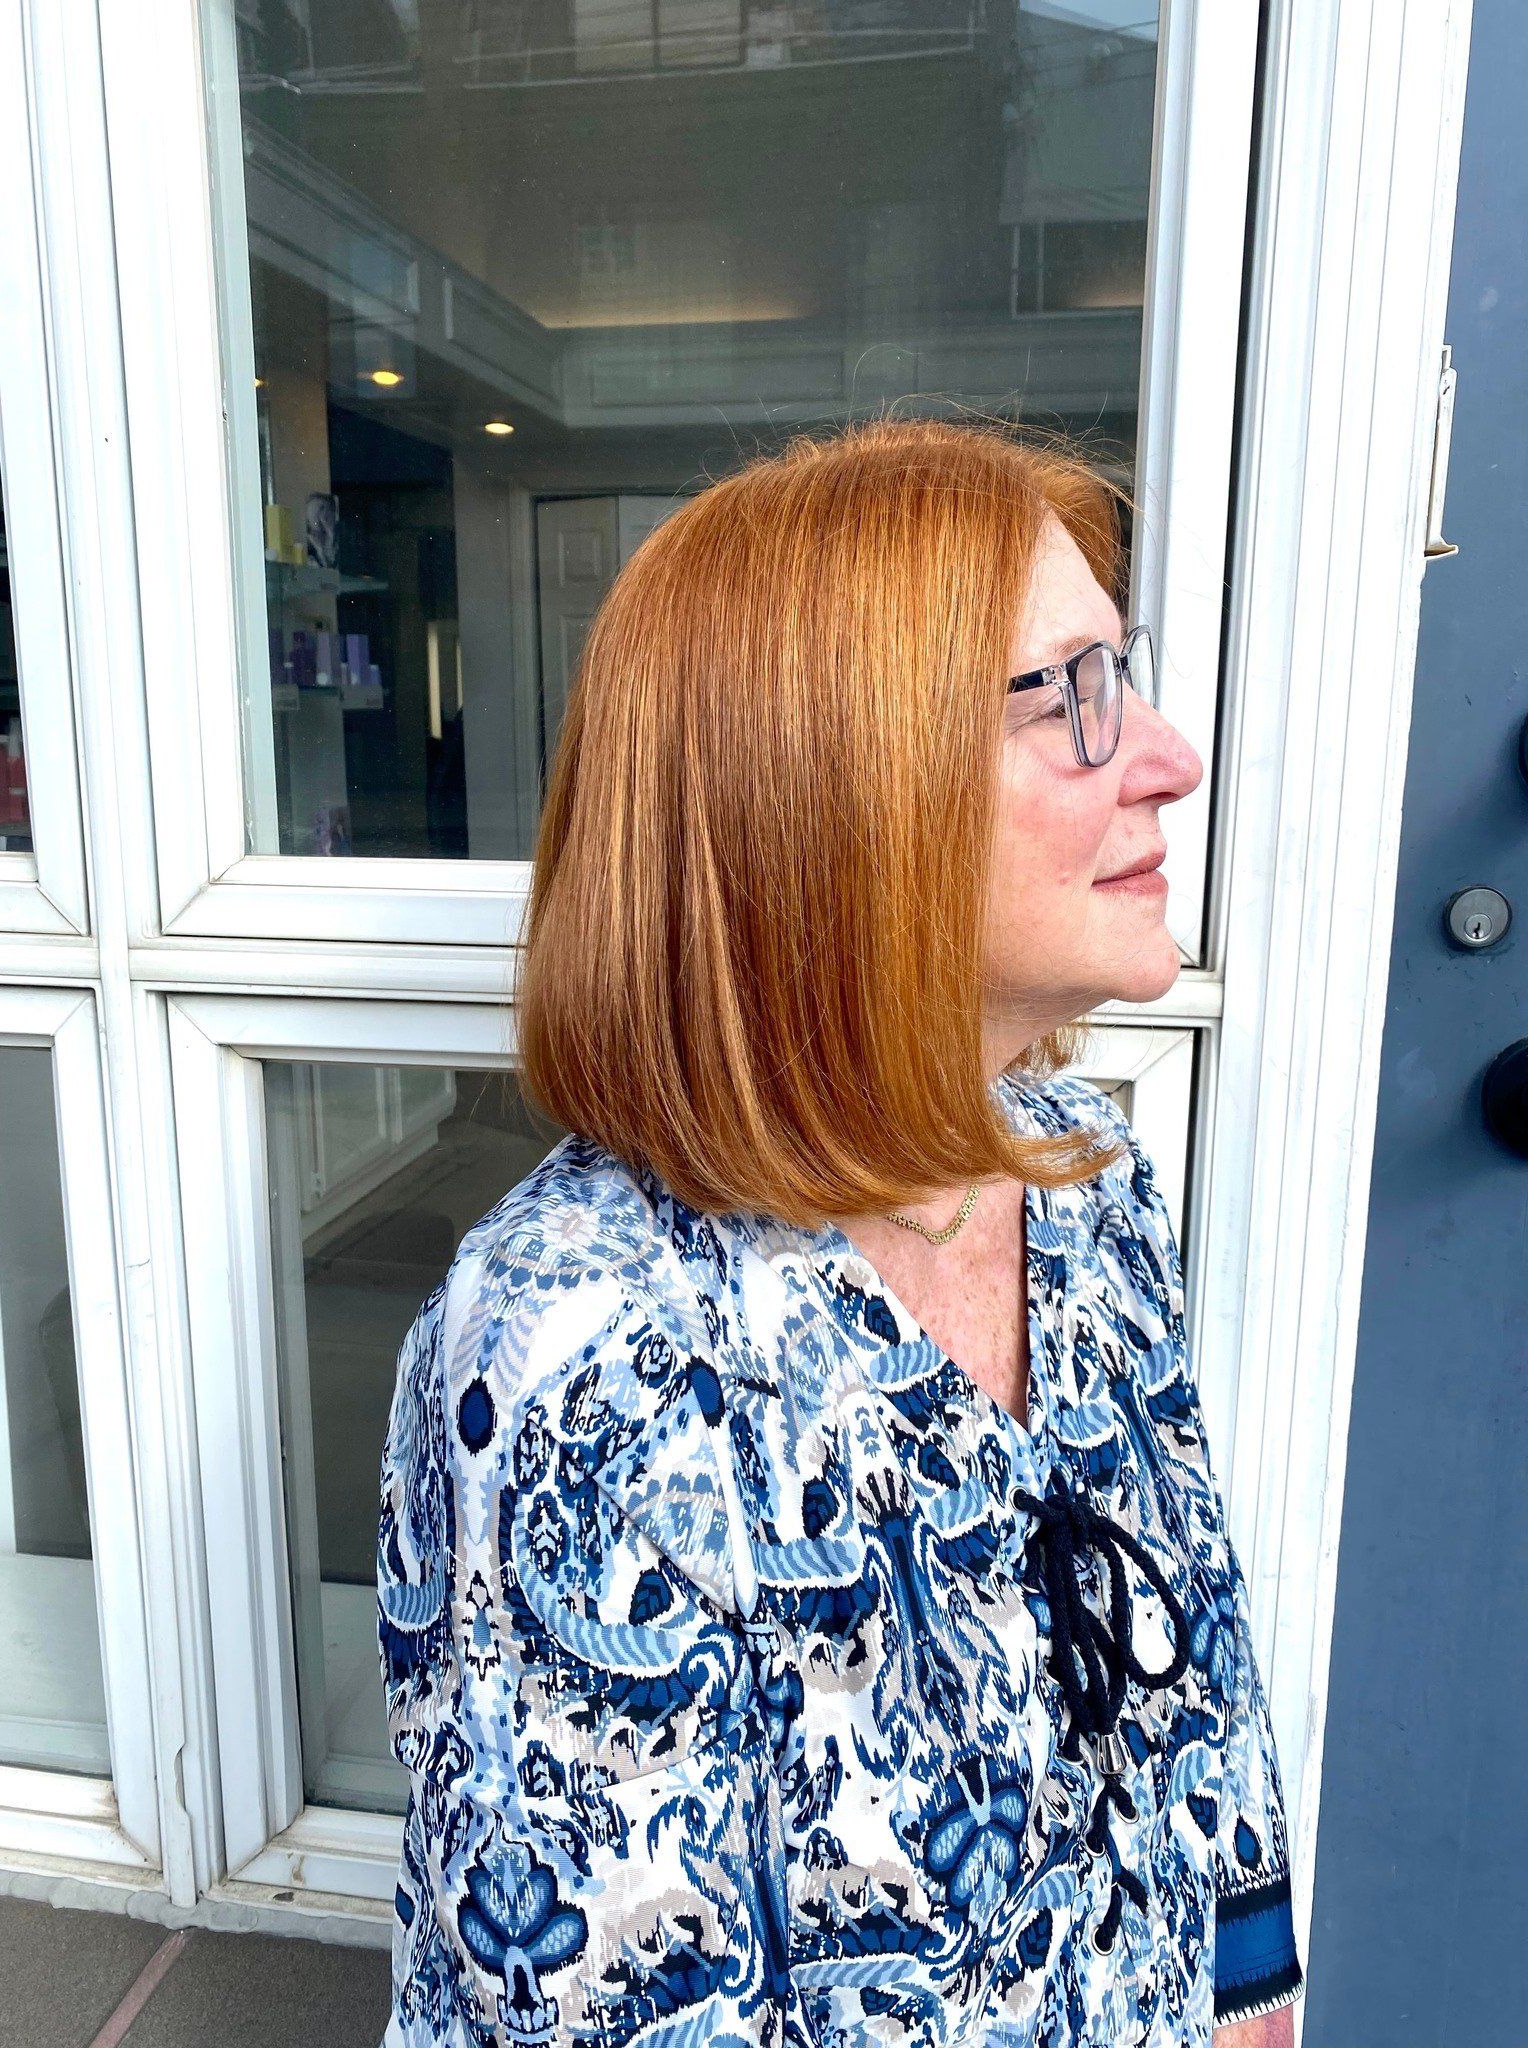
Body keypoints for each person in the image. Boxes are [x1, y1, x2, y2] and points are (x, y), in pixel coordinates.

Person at [376, 415, 1305, 2046]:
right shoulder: (590, 1357)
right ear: (836, 793)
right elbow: (605, 2001)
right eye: (1072, 693)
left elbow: (1187, 1642)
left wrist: (1247, 1986)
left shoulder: (1077, 1167)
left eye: (1123, 671)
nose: (1167, 753)